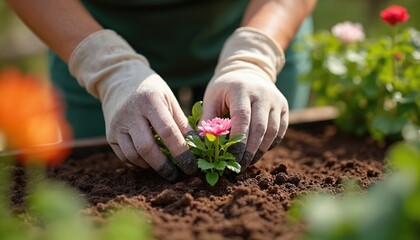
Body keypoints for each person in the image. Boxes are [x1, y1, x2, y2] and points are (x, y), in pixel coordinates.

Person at [6, 0, 317, 181]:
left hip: (256, 16)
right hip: (88, 27)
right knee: (101, 174)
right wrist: (107, 67)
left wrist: (254, 56)